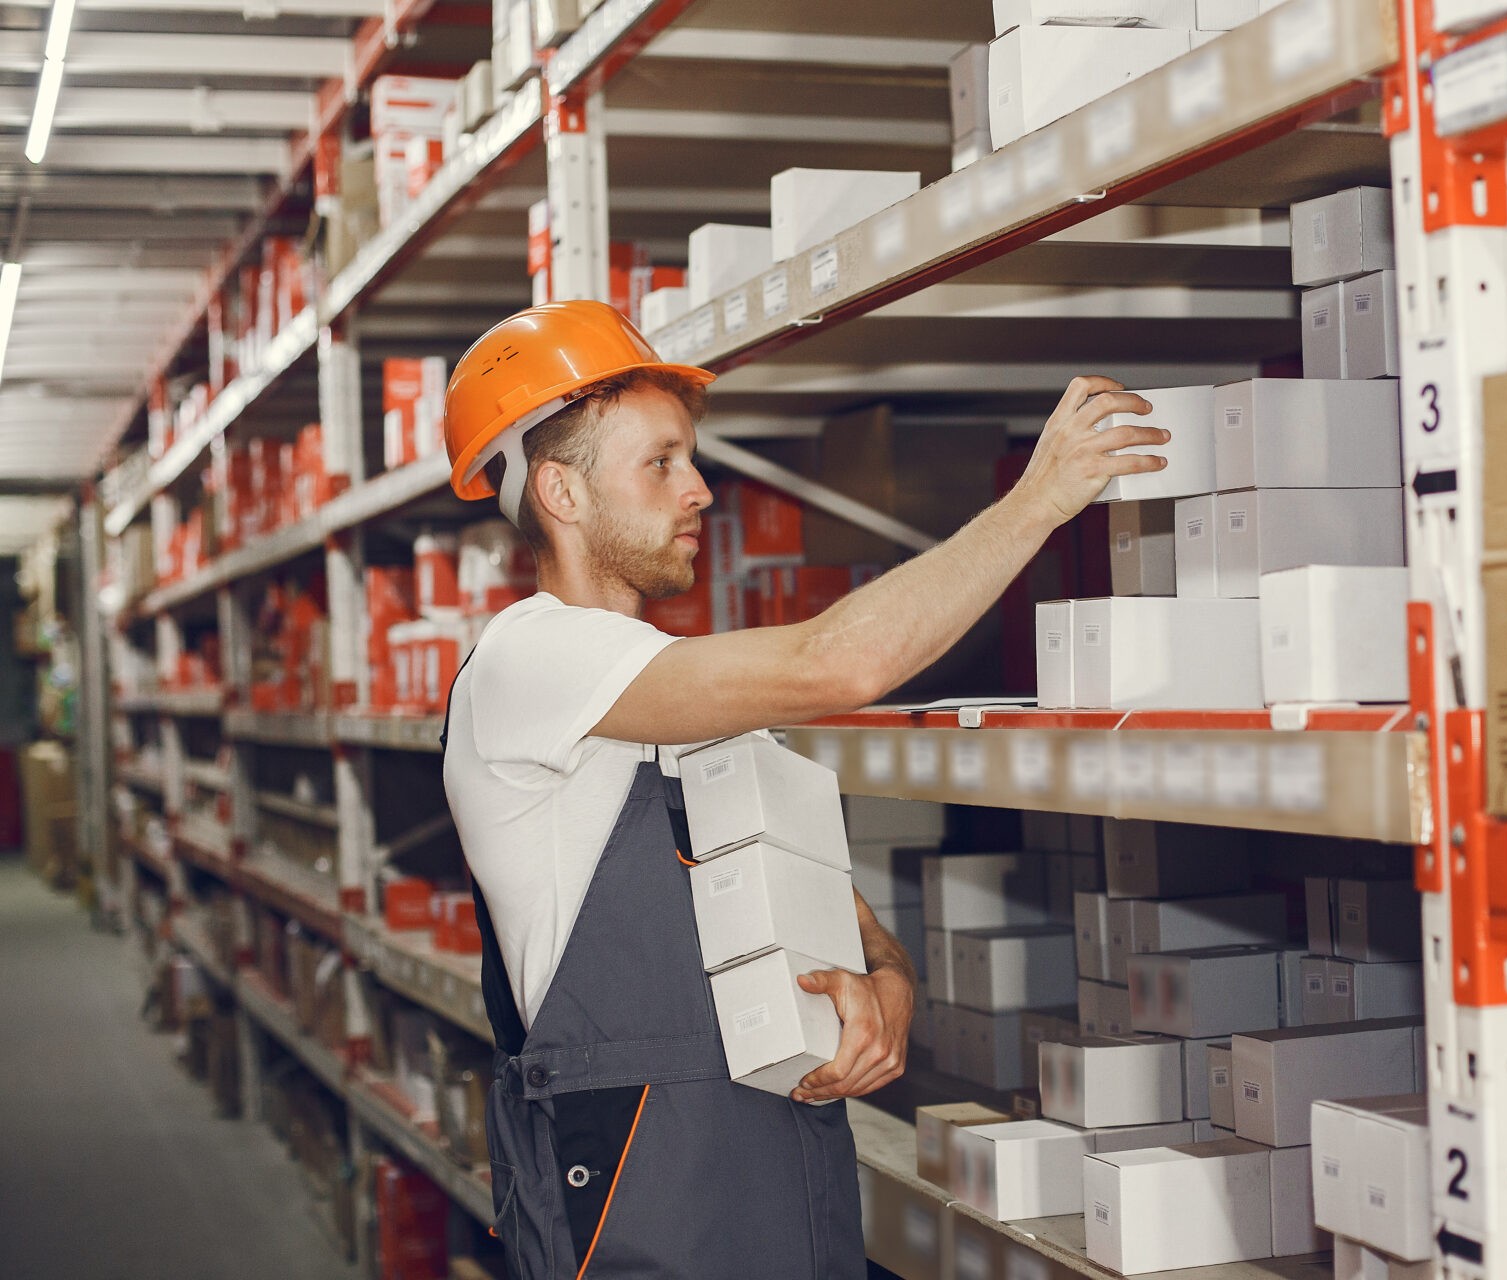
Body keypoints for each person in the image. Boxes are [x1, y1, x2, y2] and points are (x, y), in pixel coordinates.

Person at [437, 299, 1167, 1279]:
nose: (699, 489)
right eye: (660, 462)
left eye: (690, 458)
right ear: (562, 493)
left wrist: (890, 976)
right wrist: (1037, 499)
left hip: (778, 1173)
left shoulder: (668, 685)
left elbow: (814, 883)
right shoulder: (528, 663)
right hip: (637, 1189)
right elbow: (839, 663)